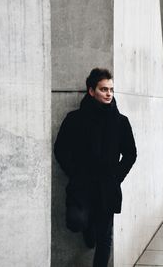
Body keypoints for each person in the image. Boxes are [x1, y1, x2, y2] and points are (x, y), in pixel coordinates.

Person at [54, 68, 137, 267]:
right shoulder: (74, 119)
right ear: (91, 91)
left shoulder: (121, 122)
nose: (109, 93)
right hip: (82, 185)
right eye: (104, 89)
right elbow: (60, 149)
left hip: (107, 187)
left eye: (111, 89)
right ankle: (88, 229)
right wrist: (74, 173)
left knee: (105, 237)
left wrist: (116, 176)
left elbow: (130, 154)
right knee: (77, 222)